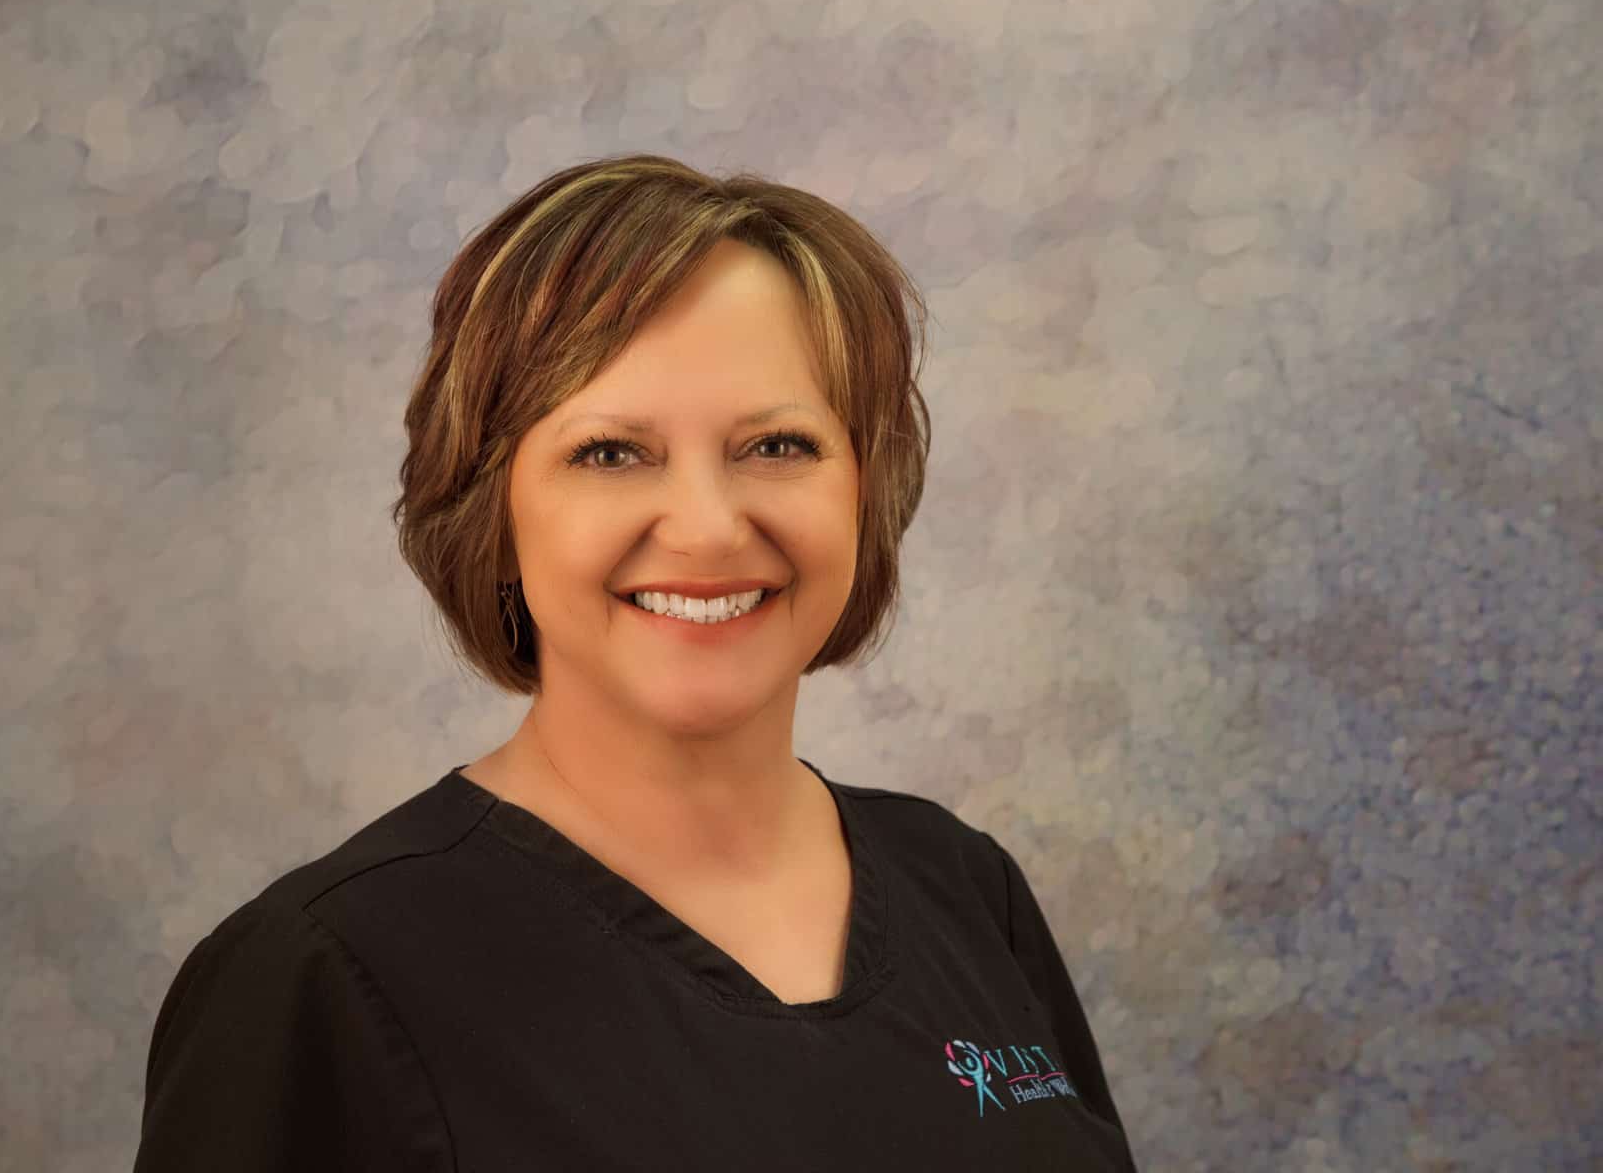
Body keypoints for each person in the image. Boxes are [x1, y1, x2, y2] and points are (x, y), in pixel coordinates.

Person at [132, 153, 1137, 1170]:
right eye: (610, 452)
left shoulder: (966, 889)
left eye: (778, 446)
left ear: (865, 489)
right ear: (494, 508)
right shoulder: (321, 977)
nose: (705, 529)